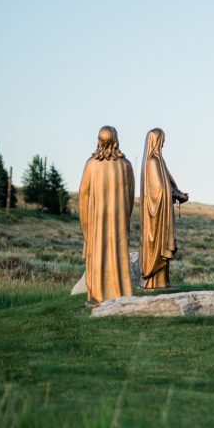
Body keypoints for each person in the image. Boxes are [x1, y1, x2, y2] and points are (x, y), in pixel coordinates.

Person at [79, 126, 135, 306]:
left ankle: (98, 296)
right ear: (116, 140)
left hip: (97, 223)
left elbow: (83, 197)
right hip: (118, 223)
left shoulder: (91, 164)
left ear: (99, 141)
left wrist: (86, 229)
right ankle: (120, 292)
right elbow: (130, 198)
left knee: (98, 254)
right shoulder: (126, 165)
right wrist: (124, 219)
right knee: (118, 254)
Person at [139, 128, 189, 290]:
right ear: (156, 140)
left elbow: (166, 185)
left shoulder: (159, 161)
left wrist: (177, 193)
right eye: (163, 139)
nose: (164, 142)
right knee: (157, 245)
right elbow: (159, 189)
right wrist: (175, 194)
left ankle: (161, 282)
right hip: (156, 214)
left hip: (163, 211)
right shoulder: (153, 162)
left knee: (162, 246)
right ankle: (152, 282)